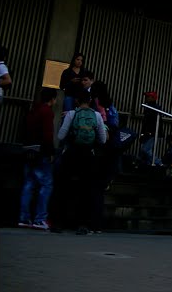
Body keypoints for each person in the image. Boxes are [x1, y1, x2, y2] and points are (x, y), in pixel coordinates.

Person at [56, 90, 107, 235]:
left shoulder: (71, 114)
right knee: (86, 190)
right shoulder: (96, 116)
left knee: (64, 188)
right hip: (88, 156)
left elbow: (60, 136)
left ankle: (60, 222)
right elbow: (103, 139)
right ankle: (83, 224)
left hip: (71, 154)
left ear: (77, 101)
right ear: (90, 101)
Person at [18, 88, 58, 230]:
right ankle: (40, 219)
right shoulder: (47, 112)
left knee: (28, 184)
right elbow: (48, 134)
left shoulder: (33, 110)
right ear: (52, 99)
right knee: (46, 184)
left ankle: (24, 217)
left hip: (28, 149)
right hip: (41, 151)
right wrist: (51, 151)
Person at [138, 90, 161, 166]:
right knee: (145, 151)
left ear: (153, 98)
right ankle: (147, 165)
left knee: (146, 150)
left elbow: (152, 122)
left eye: (148, 96)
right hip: (148, 132)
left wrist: (148, 132)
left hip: (152, 132)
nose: (146, 98)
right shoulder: (148, 107)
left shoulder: (155, 108)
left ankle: (159, 162)